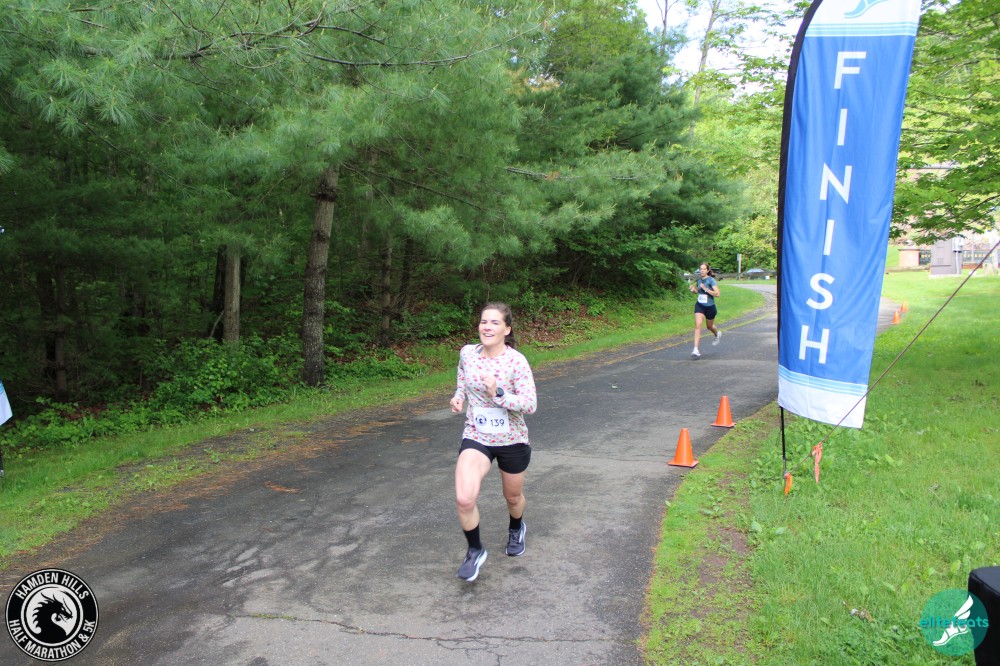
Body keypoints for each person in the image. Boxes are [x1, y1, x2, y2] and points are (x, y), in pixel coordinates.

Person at [449, 302, 537, 582]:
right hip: (477, 435)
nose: (487, 327)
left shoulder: (516, 361)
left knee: (512, 497)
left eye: (495, 322)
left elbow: (530, 404)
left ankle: (516, 527)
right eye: (484, 321)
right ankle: (475, 550)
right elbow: (462, 375)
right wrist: (459, 396)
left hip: (512, 439)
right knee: (464, 498)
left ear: (507, 329)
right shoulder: (467, 353)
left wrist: (498, 394)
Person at [689, 263, 721, 358]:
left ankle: (717, 334)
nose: (702, 270)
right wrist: (693, 290)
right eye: (700, 269)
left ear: (707, 270)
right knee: (698, 325)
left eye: (704, 269)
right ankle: (695, 349)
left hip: (710, 307)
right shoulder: (699, 280)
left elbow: (717, 294)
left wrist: (706, 289)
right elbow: (698, 291)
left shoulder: (711, 280)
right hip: (700, 305)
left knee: (709, 327)